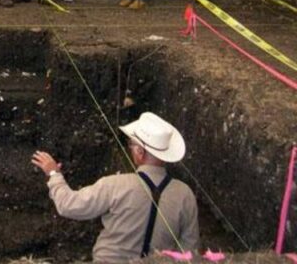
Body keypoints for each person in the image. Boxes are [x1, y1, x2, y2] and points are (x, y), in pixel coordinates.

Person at [32, 112, 199, 262]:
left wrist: (54, 174)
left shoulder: (114, 185)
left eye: (131, 145)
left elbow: (68, 205)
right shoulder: (185, 194)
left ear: (140, 152)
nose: (129, 149)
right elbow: (189, 249)